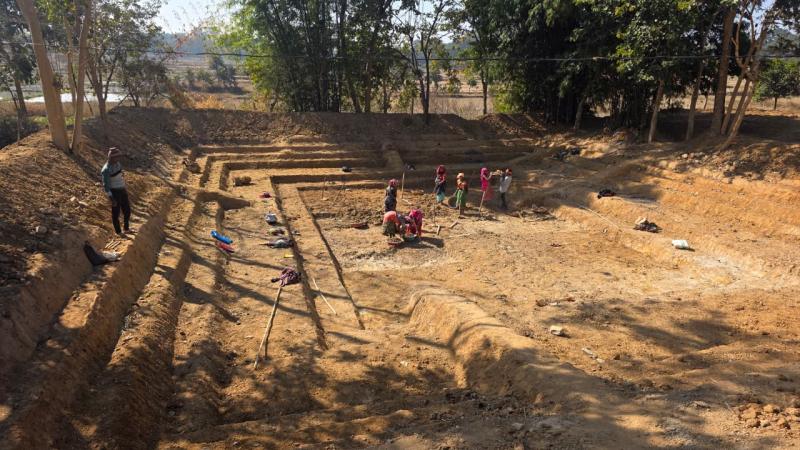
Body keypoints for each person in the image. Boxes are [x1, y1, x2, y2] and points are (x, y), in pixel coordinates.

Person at [101, 147, 133, 235]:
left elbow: (120, 174)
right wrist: (112, 198)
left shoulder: (117, 164)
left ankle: (126, 228)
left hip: (122, 190)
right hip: (114, 192)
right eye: (117, 157)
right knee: (116, 214)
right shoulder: (106, 170)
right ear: (112, 158)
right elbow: (106, 186)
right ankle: (118, 232)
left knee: (127, 211)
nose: (119, 158)